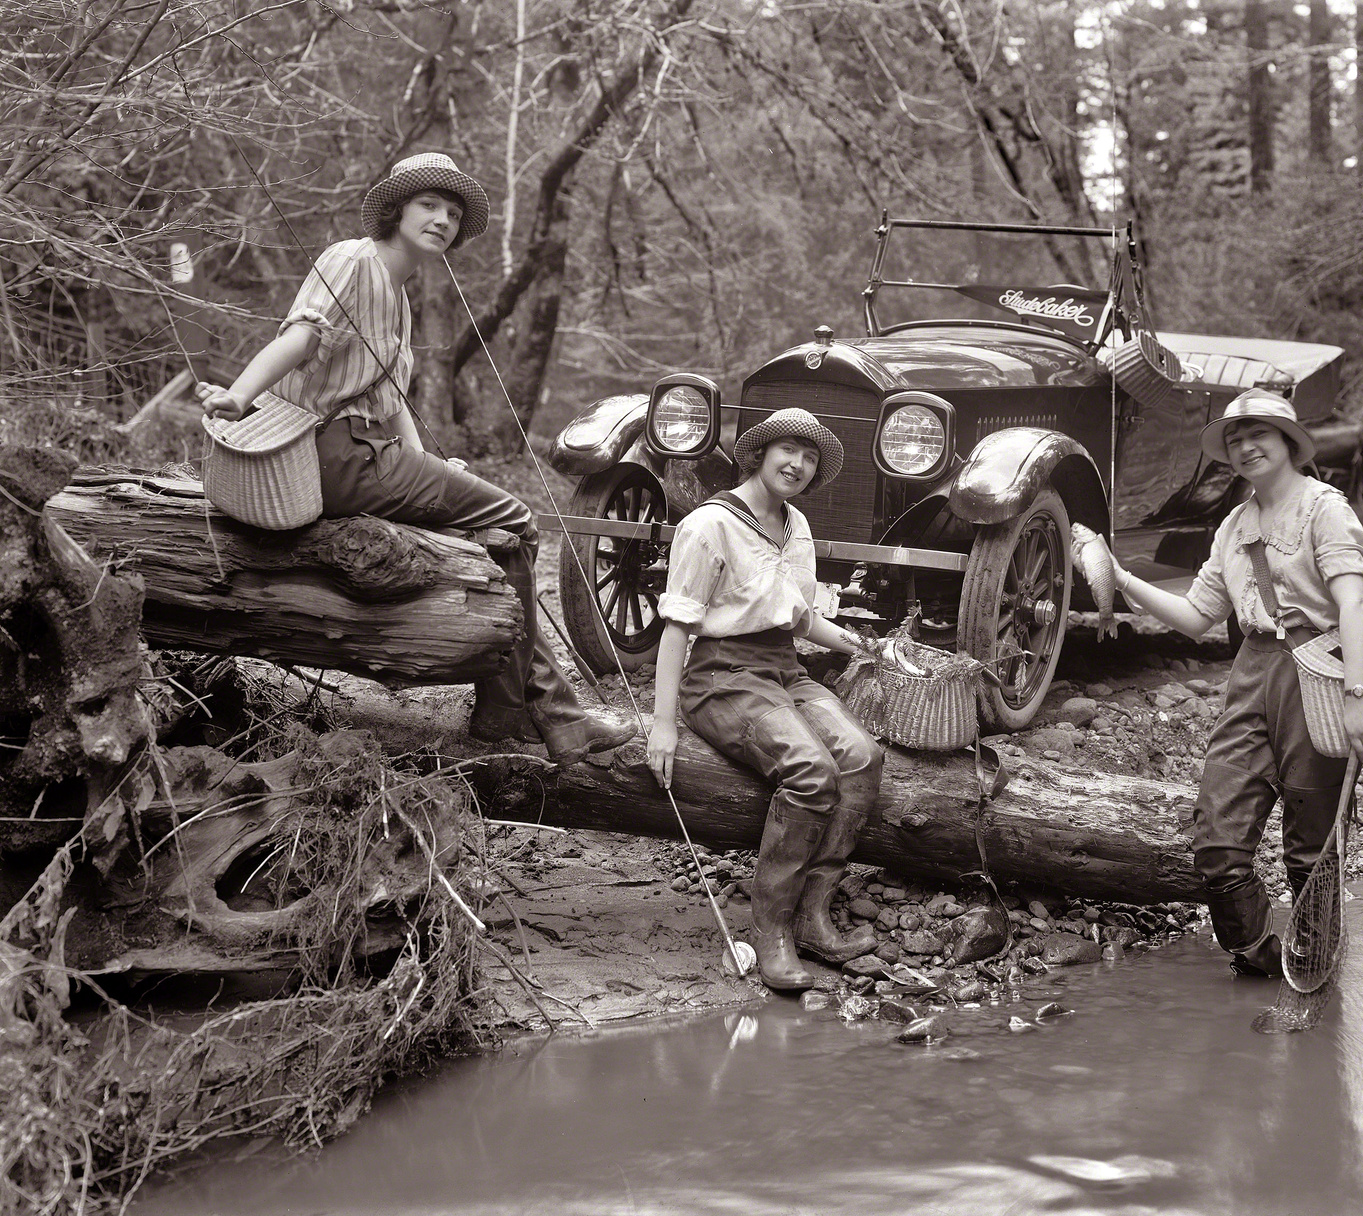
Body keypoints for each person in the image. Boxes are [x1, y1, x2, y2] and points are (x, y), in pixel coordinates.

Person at [197, 153, 634, 761]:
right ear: (398, 208)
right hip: (332, 453)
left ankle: (513, 708)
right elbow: (299, 338)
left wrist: (431, 462)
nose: (442, 220)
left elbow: (390, 398)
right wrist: (237, 394)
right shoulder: (353, 259)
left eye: (453, 213)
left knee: (498, 535)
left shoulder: (398, 296)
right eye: (429, 205)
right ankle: (543, 713)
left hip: (367, 451)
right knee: (517, 519)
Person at [1108, 389, 1363, 978]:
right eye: (1235, 439)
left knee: (1311, 849)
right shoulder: (1233, 524)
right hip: (1251, 671)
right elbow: (1197, 615)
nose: (1246, 446)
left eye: (1259, 434)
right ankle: (1257, 954)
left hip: (1320, 669)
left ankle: (1313, 966)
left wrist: (1359, 696)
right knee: (1217, 840)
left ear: (1289, 442)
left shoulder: (1324, 508)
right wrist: (1123, 579)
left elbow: (1353, 602)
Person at [647, 408, 885, 992]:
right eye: (788, 451)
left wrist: (864, 646)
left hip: (784, 667)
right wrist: (662, 724)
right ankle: (771, 930)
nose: (798, 465)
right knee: (811, 770)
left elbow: (799, 617)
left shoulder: (796, 525)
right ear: (758, 454)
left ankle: (814, 915)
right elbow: (677, 629)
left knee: (862, 755)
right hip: (721, 677)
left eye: (810, 459)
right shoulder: (709, 525)